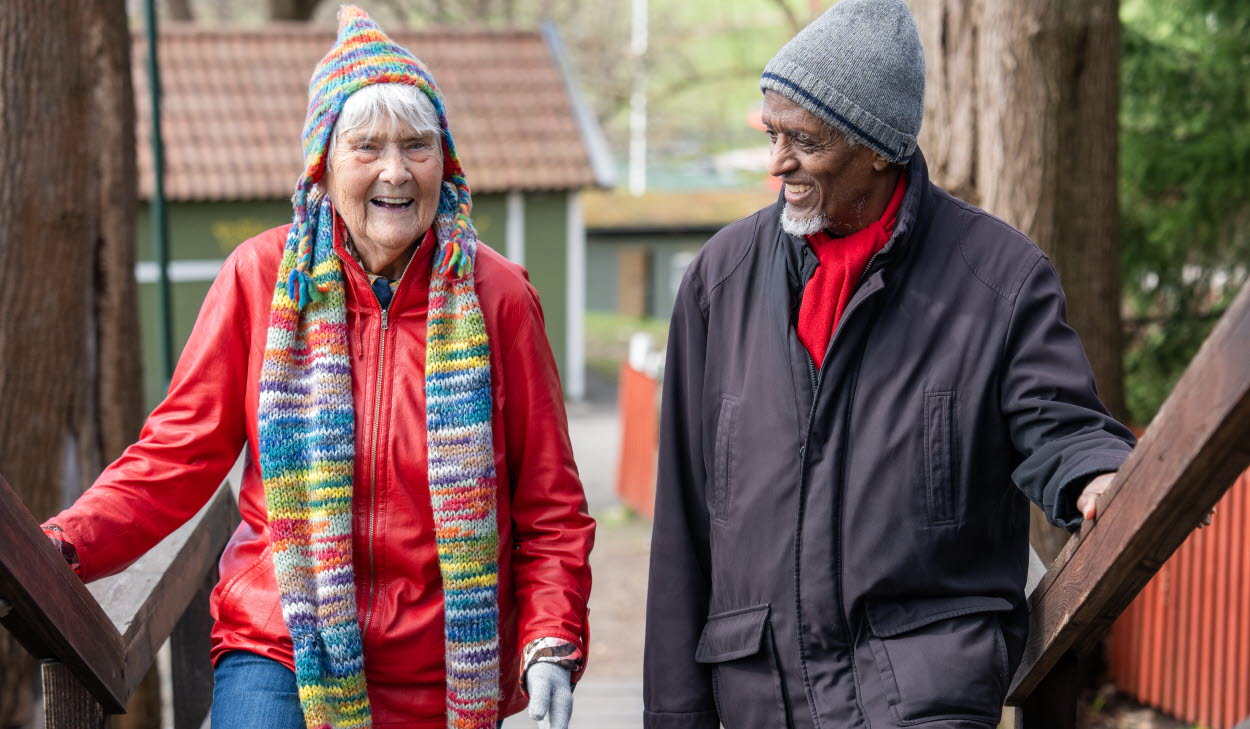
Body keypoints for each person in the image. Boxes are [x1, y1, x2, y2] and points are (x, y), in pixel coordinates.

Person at [40, 8, 593, 729]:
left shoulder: (501, 297)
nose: (395, 170)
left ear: (445, 163)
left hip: (442, 661)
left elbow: (549, 502)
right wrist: (57, 549)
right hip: (283, 638)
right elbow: (177, 455)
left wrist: (550, 639)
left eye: (416, 146)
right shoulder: (263, 278)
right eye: (366, 146)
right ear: (324, 165)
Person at [642, 1, 1135, 727]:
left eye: (803, 141)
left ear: (878, 147)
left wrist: (1096, 473)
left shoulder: (999, 277)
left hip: (919, 701)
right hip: (759, 697)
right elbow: (682, 525)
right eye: (773, 132)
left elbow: (1058, 421)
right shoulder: (719, 279)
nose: (778, 162)